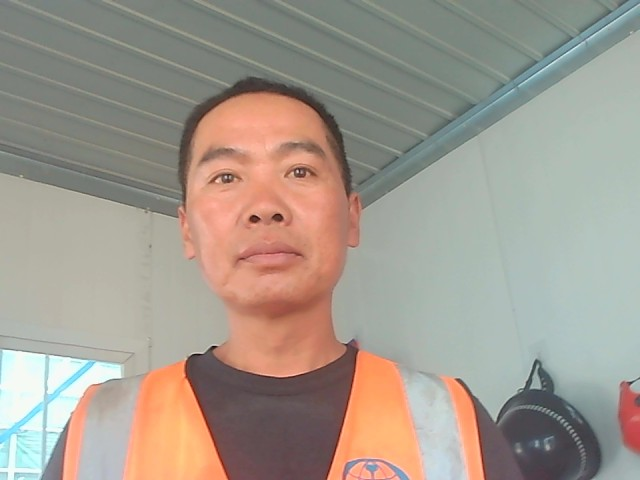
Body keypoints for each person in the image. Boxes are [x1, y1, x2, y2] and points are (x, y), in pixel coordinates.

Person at [42, 77, 524, 480]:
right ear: (187, 230)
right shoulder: (103, 427)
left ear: (352, 217)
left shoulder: (447, 418)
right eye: (226, 177)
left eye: (299, 171)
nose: (264, 207)